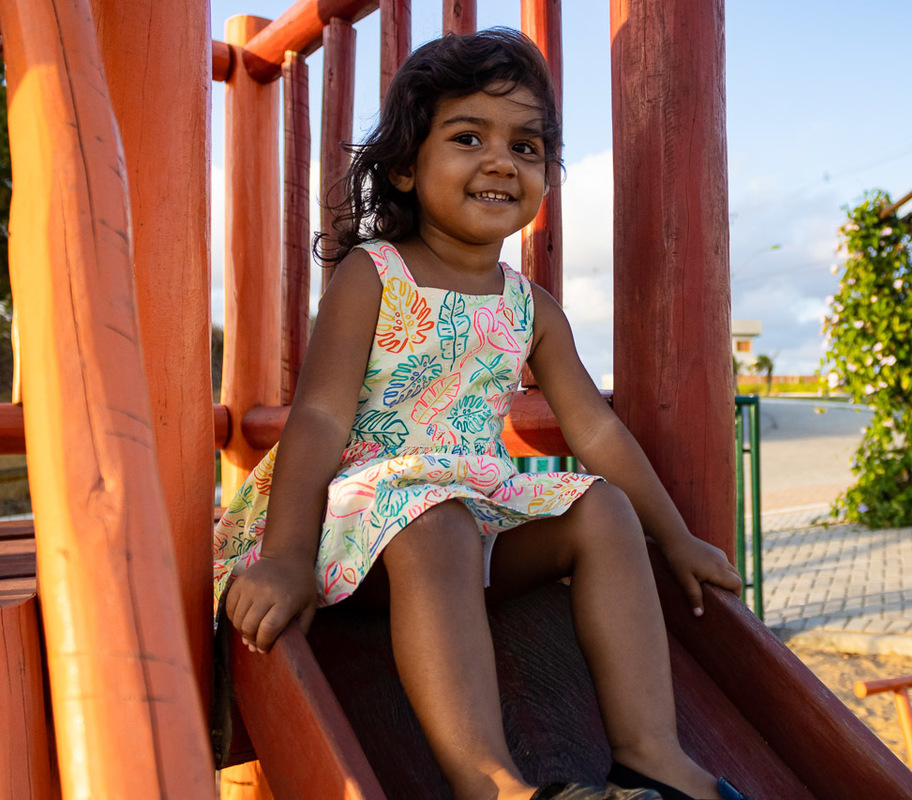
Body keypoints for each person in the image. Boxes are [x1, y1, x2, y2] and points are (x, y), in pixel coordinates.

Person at [213, 28, 750, 800]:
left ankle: (652, 753)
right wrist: (290, 556)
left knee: (598, 508)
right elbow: (322, 419)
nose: (502, 161)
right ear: (405, 165)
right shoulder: (374, 276)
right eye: (469, 137)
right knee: (435, 520)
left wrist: (676, 537)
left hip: (467, 516)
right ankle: (490, 782)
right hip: (361, 525)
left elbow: (596, 431)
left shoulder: (530, 307)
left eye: (527, 147)